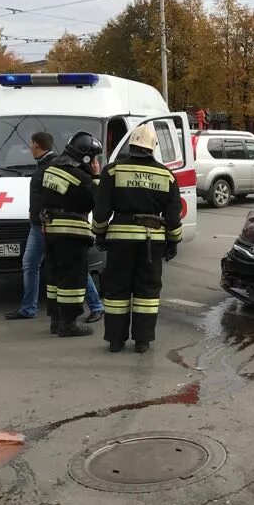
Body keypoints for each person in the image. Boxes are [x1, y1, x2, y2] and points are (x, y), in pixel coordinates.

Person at [93, 124, 182, 353]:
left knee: (116, 290)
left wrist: (100, 235)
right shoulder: (166, 175)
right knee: (147, 292)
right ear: (152, 147)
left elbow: (102, 211)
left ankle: (115, 340)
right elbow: (172, 217)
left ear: (131, 143)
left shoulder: (112, 171)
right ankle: (142, 341)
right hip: (151, 243)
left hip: (119, 241)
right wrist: (172, 242)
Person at [5, 132, 104, 323]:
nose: (29, 148)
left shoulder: (53, 166)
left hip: (50, 226)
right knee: (34, 265)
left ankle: (95, 306)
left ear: (37, 145)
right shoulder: (49, 165)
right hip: (40, 224)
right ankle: (29, 308)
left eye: (31, 144)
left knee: (73, 266)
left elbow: (89, 198)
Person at [40, 132, 102, 337]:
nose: (95, 162)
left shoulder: (50, 169)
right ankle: (69, 323)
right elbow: (96, 201)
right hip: (72, 233)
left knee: (54, 277)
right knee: (72, 280)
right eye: (94, 158)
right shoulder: (81, 178)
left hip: (51, 231)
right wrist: (96, 177)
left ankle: (55, 321)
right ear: (86, 157)